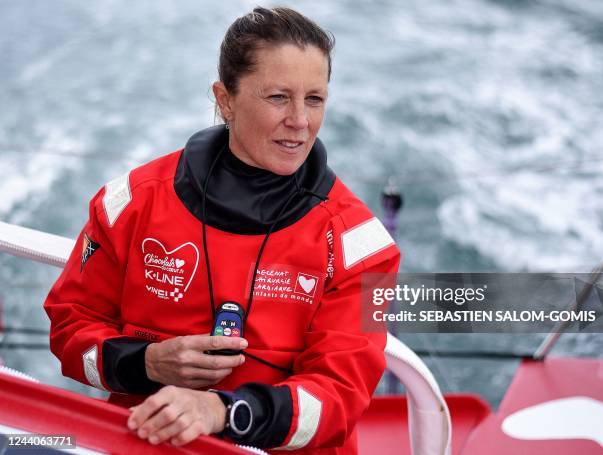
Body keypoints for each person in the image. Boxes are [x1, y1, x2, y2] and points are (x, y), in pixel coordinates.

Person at [44, 7, 400, 454]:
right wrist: (147, 363)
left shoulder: (361, 247)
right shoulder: (130, 203)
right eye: (278, 97)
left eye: (315, 99)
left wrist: (224, 411)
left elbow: (341, 397)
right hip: (144, 443)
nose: (299, 121)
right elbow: (69, 329)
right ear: (225, 99)